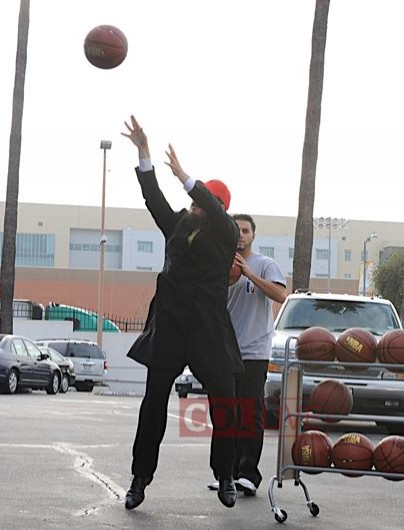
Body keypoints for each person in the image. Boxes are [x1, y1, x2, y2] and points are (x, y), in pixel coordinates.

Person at [121, 115, 244, 510]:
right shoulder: (176, 225)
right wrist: (144, 154)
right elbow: (153, 198)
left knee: (225, 404)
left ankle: (225, 475)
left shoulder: (226, 233)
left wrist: (186, 176)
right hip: (170, 328)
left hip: (209, 332)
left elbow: (214, 207)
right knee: (153, 404)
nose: (192, 205)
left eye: (199, 201)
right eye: (192, 200)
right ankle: (140, 478)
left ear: (215, 207)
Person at [207, 214, 287, 496]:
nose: (240, 235)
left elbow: (280, 295)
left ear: (253, 235)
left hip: (254, 351)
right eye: (236, 230)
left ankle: (248, 474)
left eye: (245, 230)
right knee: (223, 413)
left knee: (249, 413)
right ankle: (224, 473)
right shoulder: (217, 264)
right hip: (222, 350)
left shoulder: (265, 265)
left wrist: (249, 274)